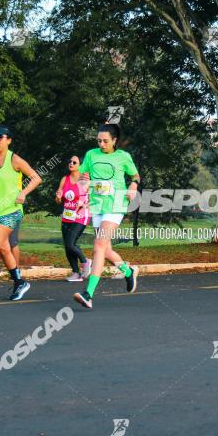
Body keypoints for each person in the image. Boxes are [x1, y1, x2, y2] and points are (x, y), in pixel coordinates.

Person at [73, 123, 141, 309]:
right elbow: (82, 176)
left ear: (114, 140)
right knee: (106, 250)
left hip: (116, 205)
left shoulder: (123, 157)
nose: (101, 144)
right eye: (99, 141)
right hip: (97, 205)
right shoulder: (91, 154)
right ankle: (128, 272)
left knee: (99, 245)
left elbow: (135, 176)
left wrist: (133, 186)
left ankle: (89, 294)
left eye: (105, 141)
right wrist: (83, 187)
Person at [0, 125, 42, 301]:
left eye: (0, 137)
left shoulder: (15, 160)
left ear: (9, 140)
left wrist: (23, 193)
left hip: (11, 211)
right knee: (4, 249)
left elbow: (36, 178)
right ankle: (19, 282)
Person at [56, 154, 91, 281]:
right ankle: (76, 273)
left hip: (80, 217)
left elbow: (94, 199)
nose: (71, 163)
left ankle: (85, 261)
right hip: (67, 216)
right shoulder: (64, 179)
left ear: (81, 165)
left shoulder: (85, 180)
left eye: (74, 162)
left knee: (71, 244)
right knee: (67, 246)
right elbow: (58, 199)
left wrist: (84, 204)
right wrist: (58, 196)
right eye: (70, 161)